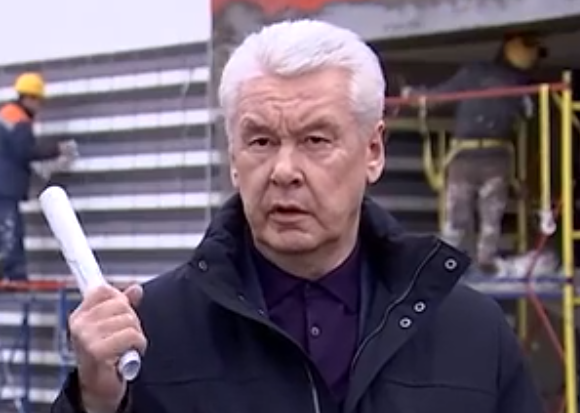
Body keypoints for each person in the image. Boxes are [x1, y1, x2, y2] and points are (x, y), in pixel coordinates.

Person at [51, 20, 542, 413]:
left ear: (373, 151)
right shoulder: (150, 337)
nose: (284, 171)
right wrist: (95, 403)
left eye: (315, 140)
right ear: (233, 158)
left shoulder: (472, 332)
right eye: (261, 141)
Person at [402, 33, 546, 274]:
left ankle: (470, 261)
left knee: (481, 216)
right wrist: (418, 96)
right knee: (469, 216)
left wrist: (417, 96)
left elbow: (436, 97)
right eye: (529, 48)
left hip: (485, 156)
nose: (532, 57)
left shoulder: (516, 83)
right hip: (476, 156)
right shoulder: (488, 76)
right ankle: (456, 262)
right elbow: (439, 96)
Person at [0, 72, 78, 280]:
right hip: (5, 188)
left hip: (4, 184)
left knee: (6, 231)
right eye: (38, 101)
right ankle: (14, 277)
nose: (39, 107)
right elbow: (25, 151)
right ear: (29, 98)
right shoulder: (18, 119)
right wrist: (57, 149)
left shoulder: (6, 114)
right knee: (10, 232)